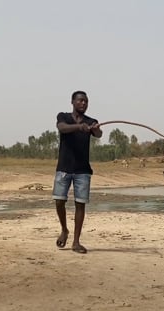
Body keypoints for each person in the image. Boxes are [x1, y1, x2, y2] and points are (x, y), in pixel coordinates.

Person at [52, 90, 103, 253]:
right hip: (64, 168)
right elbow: (62, 128)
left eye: (86, 101)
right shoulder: (63, 117)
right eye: (80, 101)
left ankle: (76, 242)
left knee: (80, 205)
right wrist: (78, 127)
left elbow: (99, 133)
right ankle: (64, 230)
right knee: (59, 201)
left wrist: (94, 129)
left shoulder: (91, 121)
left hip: (83, 170)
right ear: (72, 102)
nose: (83, 104)